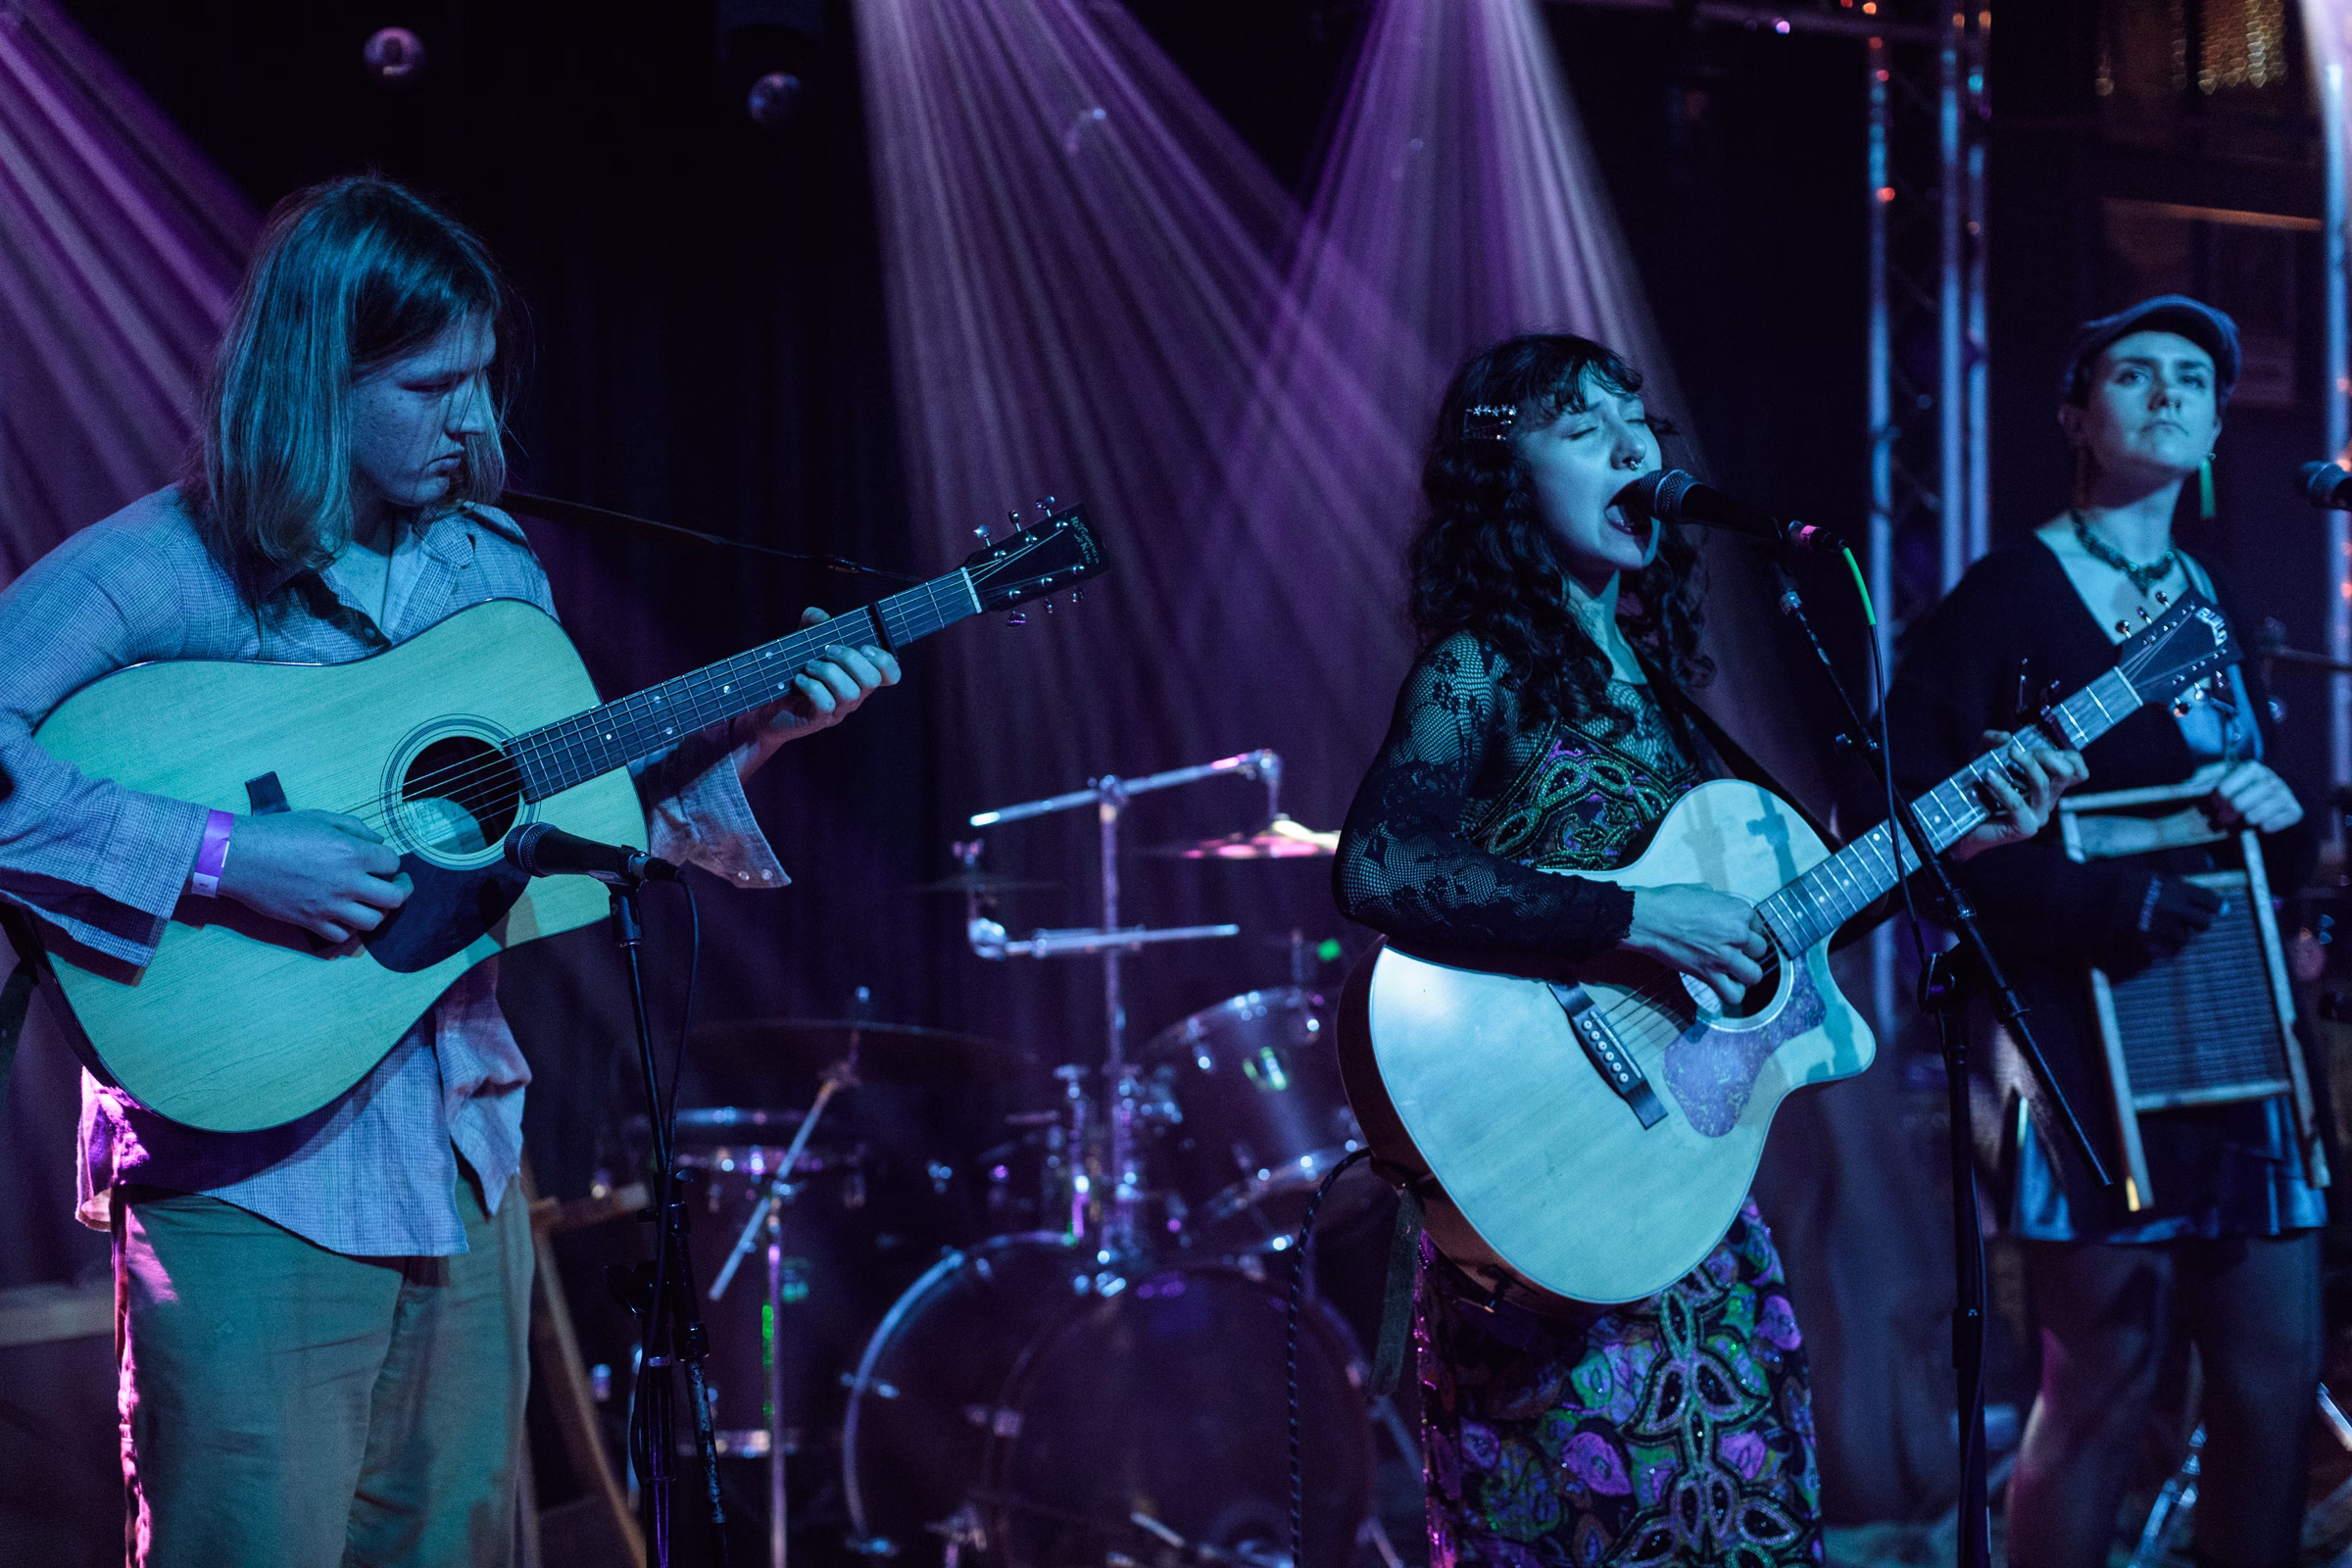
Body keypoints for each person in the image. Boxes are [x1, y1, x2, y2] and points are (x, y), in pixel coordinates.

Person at [0, 175, 899, 1564]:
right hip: (254, 1186)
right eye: (431, 385)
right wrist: (229, 858)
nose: (475, 423)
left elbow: (569, 851)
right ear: (316, 376)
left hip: (463, 1161)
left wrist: (770, 733)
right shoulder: (162, 568)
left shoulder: (488, 572)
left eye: (482, 378)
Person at [1331, 332, 2082, 1567]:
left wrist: (1967, 838)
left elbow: (1790, 938)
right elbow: (1381, 866)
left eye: (1644, 424)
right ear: (1500, 473)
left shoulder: (1664, 696)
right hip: (1545, 1215)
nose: (1636, 448)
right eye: (1586, 428)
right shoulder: (1483, 666)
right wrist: (1631, 917)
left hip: (1694, 1222)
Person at [1879, 296, 2322, 1568]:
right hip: (2066, 1027)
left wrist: (2276, 813)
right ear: (2077, 414)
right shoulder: (2004, 599)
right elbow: (1899, 829)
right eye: (2135, 372)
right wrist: (2091, 900)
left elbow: (2250, 848)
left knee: (2269, 1382)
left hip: (2228, 1021)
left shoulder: (2224, 604)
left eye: (2196, 377)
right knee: (2106, 1382)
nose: (2171, 392)